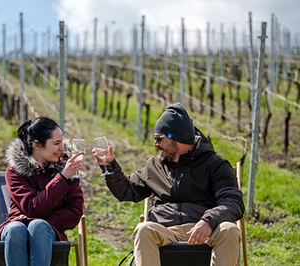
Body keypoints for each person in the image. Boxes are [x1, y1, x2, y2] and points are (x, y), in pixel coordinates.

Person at [92, 102, 244, 266]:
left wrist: (208, 221)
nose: (155, 144)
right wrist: (110, 166)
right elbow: (126, 191)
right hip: (166, 232)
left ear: (175, 138)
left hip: (206, 232)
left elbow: (233, 202)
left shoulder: (215, 165)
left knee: (229, 230)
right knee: (143, 230)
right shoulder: (155, 166)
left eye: (159, 138)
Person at [0, 117, 84, 266]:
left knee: (38, 227)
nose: (62, 148)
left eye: (62, 141)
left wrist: (40, 221)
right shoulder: (15, 172)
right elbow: (32, 207)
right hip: (14, 231)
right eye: (56, 143)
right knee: (16, 228)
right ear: (37, 144)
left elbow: (74, 213)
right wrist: (61, 179)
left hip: (48, 232)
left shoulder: (67, 170)